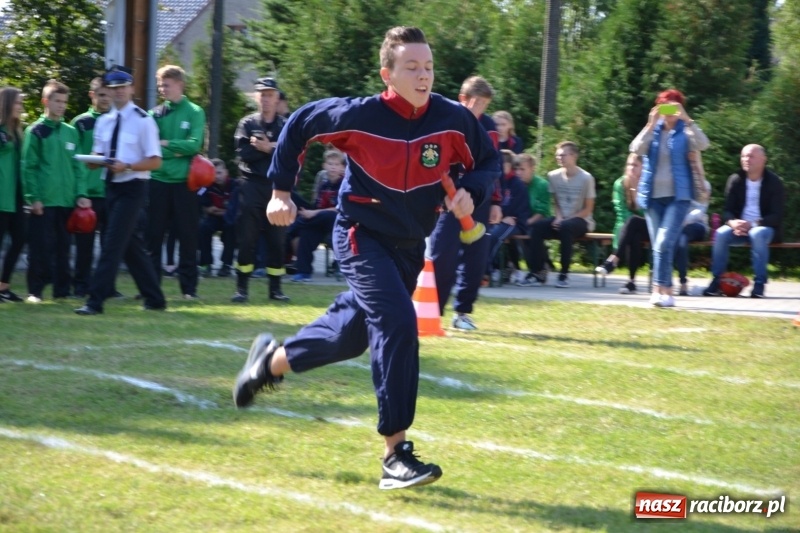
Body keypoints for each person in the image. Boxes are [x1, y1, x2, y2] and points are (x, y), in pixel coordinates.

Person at [232, 26, 500, 490]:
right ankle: (395, 453)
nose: (423, 76)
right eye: (412, 67)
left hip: (410, 245)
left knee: (350, 336)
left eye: (429, 67)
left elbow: (486, 162)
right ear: (387, 73)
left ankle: (268, 364)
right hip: (359, 233)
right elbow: (297, 125)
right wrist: (280, 191)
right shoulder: (359, 114)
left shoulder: (453, 118)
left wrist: (471, 194)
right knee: (397, 321)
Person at [74, 65, 166, 316]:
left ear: (132, 88)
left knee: (112, 243)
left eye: (122, 87)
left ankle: (95, 301)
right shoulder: (104, 122)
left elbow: (156, 161)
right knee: (130, 245)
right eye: (113, 89)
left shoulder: (143, 121)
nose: (118, 93)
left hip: (134, 186)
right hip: (111, 186)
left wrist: (128, 166)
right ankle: (155, 297)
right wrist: (92, 160)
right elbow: (98, 157)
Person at [429, 75, 501, 331]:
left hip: (477, 200)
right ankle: (431, 312)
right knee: (442, 253)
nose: (482, 109)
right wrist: (442, 193)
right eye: (478, 102)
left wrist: (495, 201)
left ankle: (463, 313)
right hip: (448, 199)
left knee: (476, 258)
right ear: (463, 99)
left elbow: (492, 167)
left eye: (486, 104)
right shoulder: (444, 120)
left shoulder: (490, 127)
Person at [631, 88, 709, 307]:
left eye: (673, 106)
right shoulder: (653, 131)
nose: (669, 112)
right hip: (652, 196)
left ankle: (665, 289)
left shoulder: (686, 131)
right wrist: (649, 124)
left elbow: (703, 144)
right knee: (658, 244)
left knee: (664, 241)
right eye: (664, 106)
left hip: (679, 196)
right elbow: (636, 148)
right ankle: (661, 291)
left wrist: (687, 119)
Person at [21, 79, 90, 303]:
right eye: (57, 101)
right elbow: (28, 167)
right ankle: (35, 291)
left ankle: (62, 291)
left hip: (67, 200)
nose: (61, 105)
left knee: (63, 248)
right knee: (40, 248)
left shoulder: (71, 132)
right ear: (45, 101)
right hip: (44, 201)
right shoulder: (36, 131)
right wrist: (34, 198)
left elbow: (78, 167)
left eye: (64, 102)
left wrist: (81, 194)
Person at [147, 65, 206, 300]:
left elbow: (194, 144)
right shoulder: (154, 114)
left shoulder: (194, 111)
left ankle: (189, 290)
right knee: (153, 237)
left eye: (166, 84)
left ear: (180, 84)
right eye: (160, 85)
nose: (162, 89)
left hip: (185, 184)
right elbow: (151, 147)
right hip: (158, 181)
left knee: (188, 236)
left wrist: (166, 145)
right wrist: (175, 149)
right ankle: (151, 287)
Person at [231, 76, 288, 303]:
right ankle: (241, 288)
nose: (265, 99)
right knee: (247, 238)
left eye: (270, 95)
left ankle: (276, 290)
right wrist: (273, 149)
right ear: (256, 97)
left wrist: (266, 148)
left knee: (277, 240)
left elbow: (291, 155)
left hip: (276, 188)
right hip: (251, 185)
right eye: (262, 95)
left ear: (277, 98)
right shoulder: (247, 124)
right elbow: (243, 154)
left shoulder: (286, 125)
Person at [702, 144, 785, 298]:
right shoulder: (735, 180)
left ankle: (759, 284)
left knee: (757, 234)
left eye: (751, 156)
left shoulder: (774, 182)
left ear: (763, 159)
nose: (746, 159)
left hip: (764, 228)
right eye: (744, 156)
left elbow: (777, 215)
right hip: (738, 228)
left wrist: (753, 224)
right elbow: (727, 210)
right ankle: (716, 281)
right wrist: (733, 222)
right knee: (720, 233)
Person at [520, 141, 595, 288]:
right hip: (561, 218)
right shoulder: (553, 176)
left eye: (562, 155)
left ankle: (563, 274)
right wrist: (559, 217)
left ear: (573, 156)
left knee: (566, 227)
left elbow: (588, 209)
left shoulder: (586, 178)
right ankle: (536, 272)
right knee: (537, 227)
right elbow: (556, 202)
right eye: (557, 155)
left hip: (581, 220)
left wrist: (565, 220)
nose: (559, 157)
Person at [71, 77, 117, 298]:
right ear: (92, 95)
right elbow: (75, 161)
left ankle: (108, 287)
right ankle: (81, 285)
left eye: (109, 94)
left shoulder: (118, 121)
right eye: (101, 94)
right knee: (85, 245)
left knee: (111, 245)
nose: (105, 98)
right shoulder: (80, 123)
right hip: (88, 195)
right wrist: (81, 192)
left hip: (112, 191)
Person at [594, 154, 649, 294]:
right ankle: (631, 283)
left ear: (643, 167)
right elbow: (621, 211)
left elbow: (649, 212)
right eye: (629, 164)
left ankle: (614, 259)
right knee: (634, 234)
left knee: (634, 221)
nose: (631, 168)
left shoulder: (648, 184)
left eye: (635, 165)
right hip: (626, 226)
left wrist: (637, 201)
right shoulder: (620, 184)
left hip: (650, 225)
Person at [289, 148, 344, 282]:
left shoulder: (345, 184)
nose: (333, 167)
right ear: (324, 166)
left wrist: (312, 213)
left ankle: (293, 228)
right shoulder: (324, 185)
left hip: (338, 221)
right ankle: (303, 273)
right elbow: (317, 205)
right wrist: (311, 212)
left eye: (337, 165)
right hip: (319, 221)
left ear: (342, 167)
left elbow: (339, 209)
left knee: (318, 217)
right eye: (330, 164)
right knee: (308, 231)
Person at [486, 151, 531, 281]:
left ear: (509, 166)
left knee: (494, 236)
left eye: (502, 165)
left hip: (515, 222)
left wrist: (504, 216)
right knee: (483, 233)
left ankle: (487, 270)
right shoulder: (495, 182)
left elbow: (515, 207)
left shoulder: (517, 184)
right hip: (500, 220)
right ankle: (491, 268)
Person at [0, 87, 26, 303]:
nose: (21, 107)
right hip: (1, 195)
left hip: (15, 196)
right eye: (18, 103)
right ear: (7, 104)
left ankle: (4, 286)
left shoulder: (17, 132)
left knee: (19, 238)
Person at [198, 158, 237, 278]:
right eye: (214, 173)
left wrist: (217, 210)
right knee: (204, 228)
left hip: (230, 218)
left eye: (219, 173)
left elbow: (233, 210)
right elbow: (205, 206)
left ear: (226, 172)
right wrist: (214, 210)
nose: (217, 176)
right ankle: (206, 264)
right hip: (214, 218)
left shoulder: (235, 185)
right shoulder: (207, 186)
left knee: (231, 228)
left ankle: (226, 265)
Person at [674, 179, 711, 296]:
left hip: (697, 225)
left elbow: (700, 210)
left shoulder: (703, 184)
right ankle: (682, 281)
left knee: (679, 236)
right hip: (679, 229)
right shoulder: (677, 183)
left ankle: (681, 282)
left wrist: (682, 221)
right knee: (681, 240)